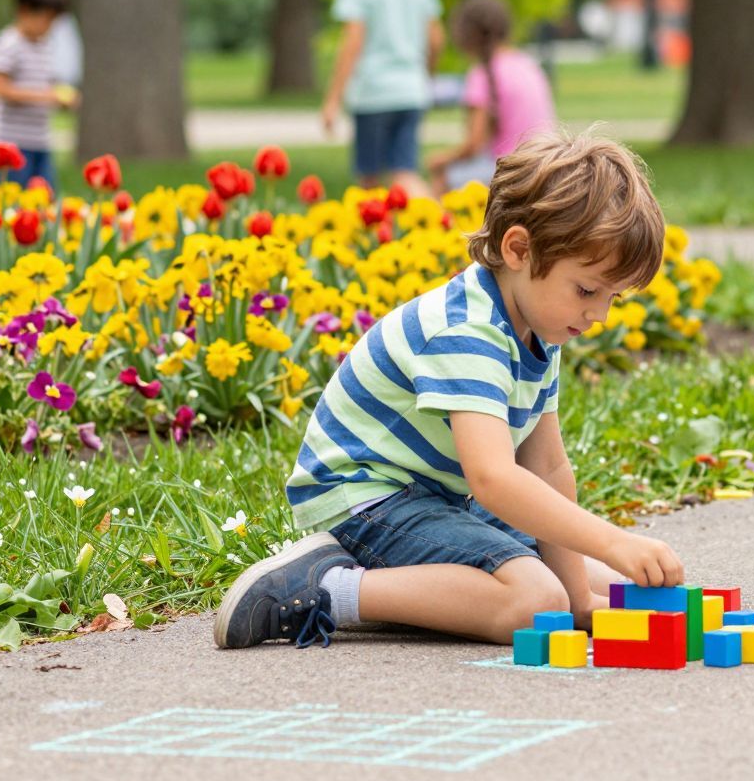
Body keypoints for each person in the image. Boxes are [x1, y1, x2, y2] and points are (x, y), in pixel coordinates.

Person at [216, 133, 685, 649]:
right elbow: (492, 477)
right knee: (536, 603)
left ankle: (412, 591)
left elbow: (547, 468)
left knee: (597, 581)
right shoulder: (466, 330)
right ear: (519, 249)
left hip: (429, 496)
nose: (599, 315)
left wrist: (580, 601)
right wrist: (611, 542)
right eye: (588, 291)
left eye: (612, 298)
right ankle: (321, 588)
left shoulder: (537, 325)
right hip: (364, 498)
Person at [321, 0, 443, 196]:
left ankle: (423, 220)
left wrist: (333, 98)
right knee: (405, 169)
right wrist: (425, 75)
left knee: (370, 179)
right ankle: (433, 225)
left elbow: (352, 44)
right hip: (411, 91)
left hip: (372, 93)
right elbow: (436, 38)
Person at [427, 0, 556, 194]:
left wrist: (441, 160)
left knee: (443, 176)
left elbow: (474, 145)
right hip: (546, 165)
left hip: (512, 171)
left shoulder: (482, 75)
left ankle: (443, 226)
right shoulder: (527, 64)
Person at [0, 0, 76, 189]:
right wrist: (44, 97)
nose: (50, 27)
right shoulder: (9, 44)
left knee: (44, 203)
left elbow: (46, 85)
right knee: (13, 203)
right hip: (12, 144)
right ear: (24, 10)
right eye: (47, 20)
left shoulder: (45, 46)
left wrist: (61, 98)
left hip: (40, 140)